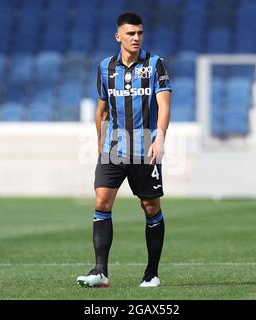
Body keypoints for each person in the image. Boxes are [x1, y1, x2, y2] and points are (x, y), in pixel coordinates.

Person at [77, 12, 171, 288]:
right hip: (113, 148)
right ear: (118, 36)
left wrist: (161, 137)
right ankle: (100, 272)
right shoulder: (105, 67)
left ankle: (152, 273)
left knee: (150, 206)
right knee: (101, 203)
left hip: (145, 147)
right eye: (131, 33)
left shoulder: (155, 64)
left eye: (140, 33)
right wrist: (100, 144)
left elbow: (164, 105)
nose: (136, 38)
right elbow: (101, 110)